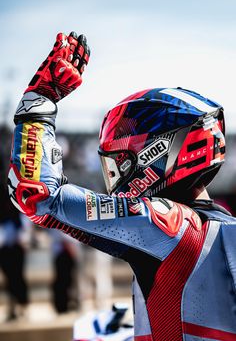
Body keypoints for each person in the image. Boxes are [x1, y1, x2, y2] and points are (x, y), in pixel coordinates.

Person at [8, 31, 236, 340]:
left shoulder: (167, 225)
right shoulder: (225, 226)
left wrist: (40, 101)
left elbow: (35, 195)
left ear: (156, 153)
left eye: (120, 163)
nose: (116, 176)